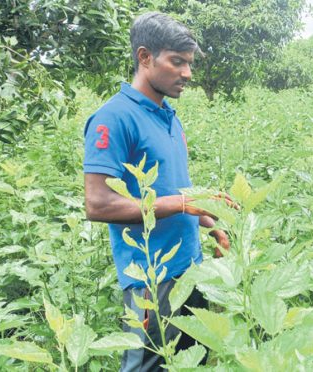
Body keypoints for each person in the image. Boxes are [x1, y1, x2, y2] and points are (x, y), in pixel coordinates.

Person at [83, 12, 228, 371]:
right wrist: (182, 203)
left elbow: (176, 187)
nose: (187, 74)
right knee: (148, 365)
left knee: (191, 361)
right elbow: (98, 203)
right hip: (151, 278)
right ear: (145, 57)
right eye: (176, 62)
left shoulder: (169, 116)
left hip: (190, 267)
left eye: (189, 64)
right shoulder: (113, 118)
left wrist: (209, 222)